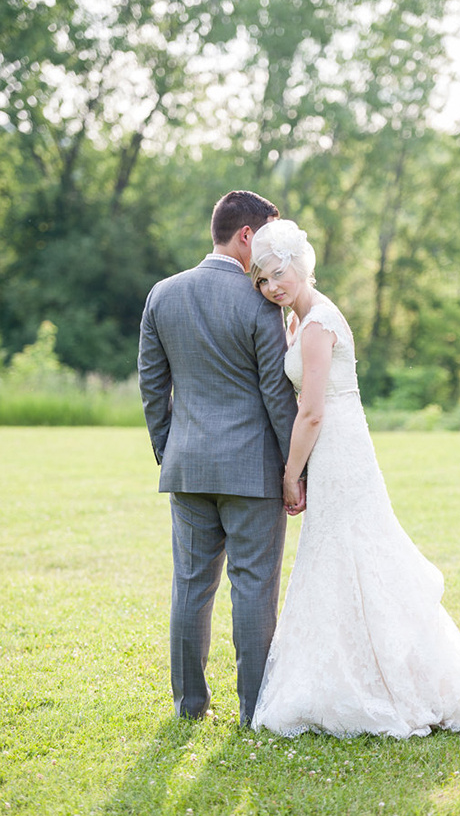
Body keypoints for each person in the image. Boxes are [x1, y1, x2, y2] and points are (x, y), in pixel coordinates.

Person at [249, 218, 460, 739]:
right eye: (263, 280)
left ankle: (398, 682)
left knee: (357, 551)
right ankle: (347, 670)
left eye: (277, 274)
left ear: (299, 265)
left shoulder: (316, 324)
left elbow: (311, 412)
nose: (272, 287)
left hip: (337, 449)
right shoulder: (298, 320)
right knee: (337, 556)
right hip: (335, 447)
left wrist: (292, 475)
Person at [138, 191, 301, 726]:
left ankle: (190, 705)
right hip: (252, 471)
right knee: (254, 587)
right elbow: (278, 396)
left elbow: (152, 385)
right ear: (247, 236)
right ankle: (254, 709)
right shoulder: (261, 302)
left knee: (190, 585)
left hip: (187, 467)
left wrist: (170, 451)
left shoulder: (162, 294)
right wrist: (291, 470)